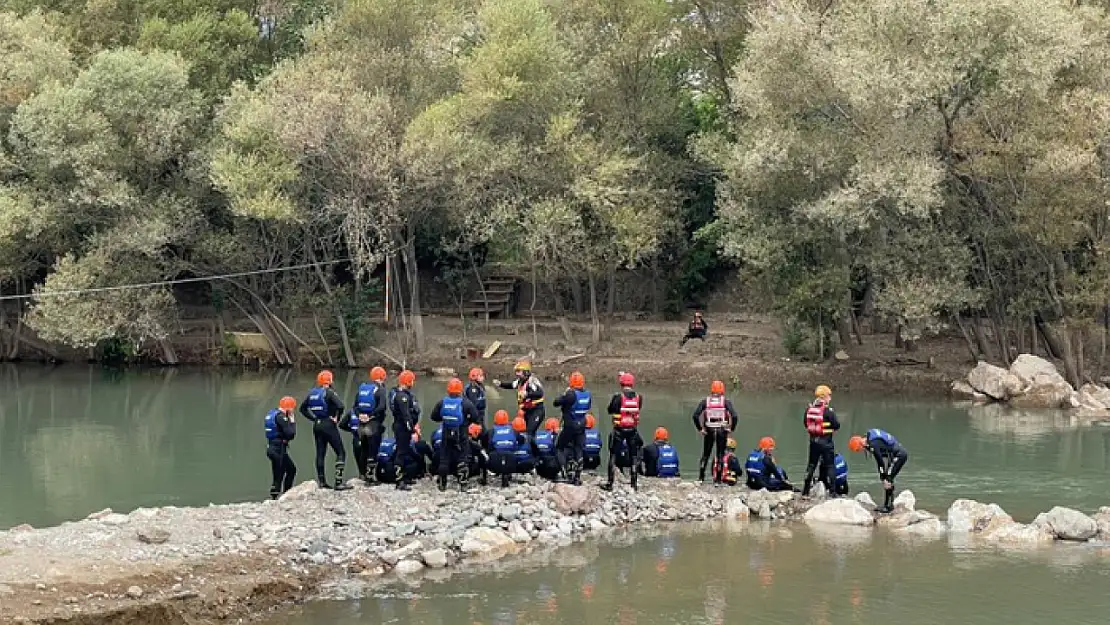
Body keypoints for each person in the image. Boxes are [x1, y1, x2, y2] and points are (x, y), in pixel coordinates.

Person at [300, 370, 350, 490]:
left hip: (317, 424)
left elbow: (302, 409)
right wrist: (336, 418)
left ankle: (322, 482)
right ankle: (338, 482)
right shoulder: (329, 393)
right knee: (340, 452)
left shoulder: (312, 393)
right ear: (330, 380)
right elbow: (341, 406)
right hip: (328, 424)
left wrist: (313, 418)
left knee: (320, 453)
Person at [430, 377, 481, 491]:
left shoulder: (442, 402)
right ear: (460, 390)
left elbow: (434, 417)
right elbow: (476, 418)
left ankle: (442, 484)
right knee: (462, 457)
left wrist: (444, 418)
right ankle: (463, 484)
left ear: (448, 390)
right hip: (461, 433)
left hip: (446, 433)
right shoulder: (466, 403)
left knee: (444, 458)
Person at [849, 429, 908, 513]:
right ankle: (889, 504)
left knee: (887, 480)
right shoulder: (870, 437)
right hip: (894, 454)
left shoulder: (873, 444)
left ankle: (888, 507)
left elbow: (880, 461)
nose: (860, 451)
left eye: (858, 450)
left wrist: (882, 476)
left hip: (899, 455)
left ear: (860, 445)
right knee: (888, 478)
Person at [603, 372, 643, 491]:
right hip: (632, 429)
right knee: (634, 455)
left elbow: (610, 410)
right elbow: (638, 409)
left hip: (619, 429)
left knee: (613, 455)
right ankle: (634, 483)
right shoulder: (639, 397)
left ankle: (610, 483)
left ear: (621, 383)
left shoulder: (618, 397)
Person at [691, 380, 738, 482]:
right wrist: (731, 428)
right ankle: (717, 480)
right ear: (722, 390)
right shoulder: (726, 402)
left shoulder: (705, 401)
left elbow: (695, 416)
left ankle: (701, 478)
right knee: (720, 454)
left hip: (709, 429)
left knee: (705, 454)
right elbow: (734, 416)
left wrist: (700, 429)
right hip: (722, 429)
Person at [351, 366, 388, 484]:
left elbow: (355, 406)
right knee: (373, 450)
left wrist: (360, 416)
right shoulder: (380, 390)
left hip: (361, 424)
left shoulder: (363, 389)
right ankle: (370, 478)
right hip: (373, 424)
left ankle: (363, 475)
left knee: (364, 450)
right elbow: (382, 407)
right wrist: (371, 415)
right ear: (383, 377)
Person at [802, 385, 841, 497]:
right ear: (824, 397)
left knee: (811, 465)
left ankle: (805, 491)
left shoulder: (809, 410)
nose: (830, 398)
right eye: (829, 395)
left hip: (813, 442)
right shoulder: (828, 411)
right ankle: (833, 492)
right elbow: (837, 425)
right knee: (830, 466)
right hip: (826, 442)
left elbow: (806, 424)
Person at [553, 371, 591, 485]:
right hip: (582, 424)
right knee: (578, 448)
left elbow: (556, 402)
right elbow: (588, 406)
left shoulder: (571, 394)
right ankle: (577, 477)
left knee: (559, 447)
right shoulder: (587, 394)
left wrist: (565, 394)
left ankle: (564, 474)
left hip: (570, 425)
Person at [494, 360, 545, 434]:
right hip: (527, 411)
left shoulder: (532, 381)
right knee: (526, 432)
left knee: (529, 432)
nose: (516, 374)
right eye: (516, 371)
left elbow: (540, 393)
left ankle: (532, 444)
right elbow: (511, 385)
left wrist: (527, 394)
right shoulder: (519, 381)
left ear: (525, 372)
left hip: (536, 410)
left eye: (518, 371)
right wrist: (500, 384)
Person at [390, 370, 420, 491]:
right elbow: (405, 415)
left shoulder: (405, 394)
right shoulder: (401, 396)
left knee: (405, 451)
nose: (413, 383)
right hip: (402, 427)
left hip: (403, 426)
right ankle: (399, 481)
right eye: (412, 380)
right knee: (401, 452)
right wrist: (411, 430)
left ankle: (405, 476)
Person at [264, 396, 298, 499]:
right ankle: (279, 497)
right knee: (280, 474)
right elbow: (291, 434)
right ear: (289, 408)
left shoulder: (272, 413)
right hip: (278, 449)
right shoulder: (281, 417)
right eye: (292, 408)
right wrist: (292, 421)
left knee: (287, 470)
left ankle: (281, 495)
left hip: (272, 447)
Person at [487, 410, 521, 487]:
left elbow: (488, 445)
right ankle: (507, 473)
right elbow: (522, 440)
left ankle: (486, 477)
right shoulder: (513, 430)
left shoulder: (491, 431)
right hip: (512, 462)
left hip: (494, 464)